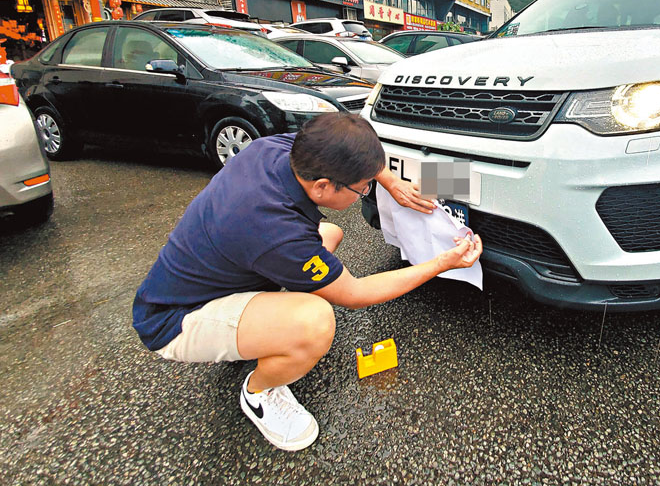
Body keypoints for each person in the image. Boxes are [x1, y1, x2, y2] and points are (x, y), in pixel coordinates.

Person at [132, 113, 482, 451]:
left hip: (222, 272)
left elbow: (356, 155)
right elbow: (355, 294)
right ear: (322, 187)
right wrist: (440, 263)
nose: (368, 191)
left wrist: (393, 182)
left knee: (329, 233)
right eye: (363, 190)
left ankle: (262, 326)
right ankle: (259, 392)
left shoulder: (278, 150)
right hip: (175, 319)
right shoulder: (277, 232)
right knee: (315, 321)